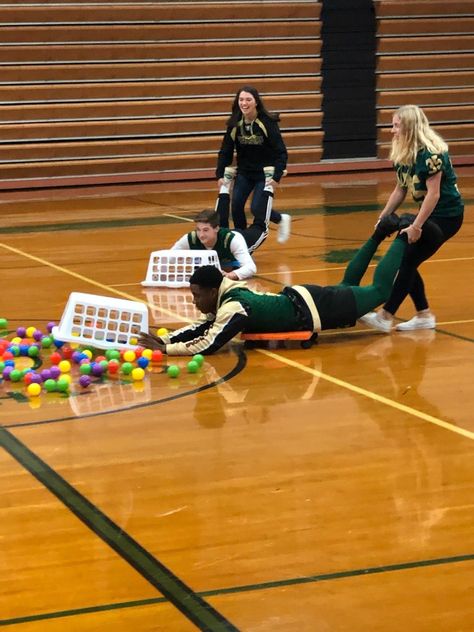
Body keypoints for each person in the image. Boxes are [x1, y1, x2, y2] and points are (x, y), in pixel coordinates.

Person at [138, 214, 411, 355]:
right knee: (347, 284)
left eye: (197, 296)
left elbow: (210, 343)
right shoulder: (226, 295)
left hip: (316, 310)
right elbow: (201, 327)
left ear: (212, 290)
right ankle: (379, 233)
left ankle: (403, 236)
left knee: (379, 292)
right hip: (306, 299)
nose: (194, 301)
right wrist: (164, 338)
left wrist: (166, 350)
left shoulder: (233, 306)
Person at [359, 104, 464, 332]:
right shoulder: (404, 152)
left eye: (396, 125)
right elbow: (400, 189)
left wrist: (416, 226)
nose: (392, 130)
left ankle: (386, 316)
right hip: (430, 213)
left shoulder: (430, 154)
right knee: (408, 259)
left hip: (447, 216)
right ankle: (423, 314)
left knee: (408, 258)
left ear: (409, 127)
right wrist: (383, 217)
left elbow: (434, 194)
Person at [215, 85, 291, 243]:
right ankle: (241, 242)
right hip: (244, 172)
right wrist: (220, 174)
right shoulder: (235, 124)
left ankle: (281, 219)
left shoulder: (267, 123)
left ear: (256, 102)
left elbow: (281, 152)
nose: (244, 103)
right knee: (236, 206)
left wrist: (276, 176)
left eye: (248, 99)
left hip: (264, 174)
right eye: (241, 99)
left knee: (256, 208)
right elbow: (225, 151)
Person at [170, 181, 274, 280]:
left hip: (241, 238)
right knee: (219, 218)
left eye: (205, 230)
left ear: (216, 228)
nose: (201, 235)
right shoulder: (191, 238)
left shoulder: (233, 240)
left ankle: (268, 187)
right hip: (221, 236)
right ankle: (225, 186)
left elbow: (251, 268)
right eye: (198, 230)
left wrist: (231, 275)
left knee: (261, 227)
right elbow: (169, 256)